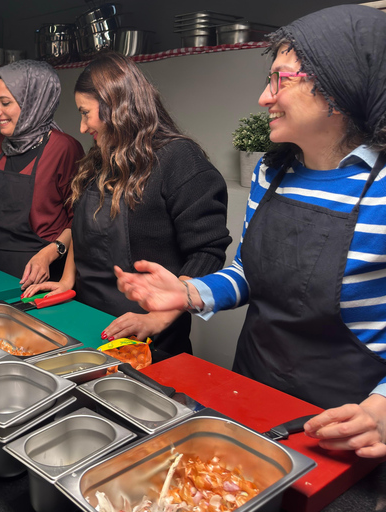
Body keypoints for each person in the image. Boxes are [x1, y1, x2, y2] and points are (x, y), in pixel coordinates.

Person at [114, 5, 386, 458]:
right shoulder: (271, 172)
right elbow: (247, 272)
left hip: (346, 426)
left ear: (339, 86)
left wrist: (381, 409)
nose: (264, 97)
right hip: (254, 395)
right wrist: (189, 294)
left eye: (281, 79)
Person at [25, 51, 231, 356]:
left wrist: (157, 319)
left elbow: (207, 251)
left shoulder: (179, 160)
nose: (82, 127)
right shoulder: (99, 157)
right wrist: (68, 280)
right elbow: (82, 228)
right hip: (87, 321)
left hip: (148, 339)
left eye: (85, 113)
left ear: (114, 108)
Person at [0, 60, 84, 289]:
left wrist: (50, 253)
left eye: (5, 102)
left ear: (33, 103)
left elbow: (78, 219)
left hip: (41, 272)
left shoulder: (64, 148)